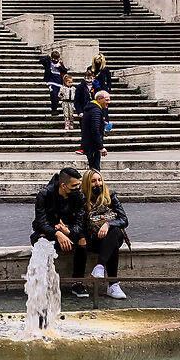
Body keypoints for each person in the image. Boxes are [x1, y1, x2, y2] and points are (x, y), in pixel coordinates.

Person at [32, 167, 94, 292]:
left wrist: (68, 231)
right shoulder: (44, 195)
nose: (77, 188)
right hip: (47, 232)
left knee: (82, 240)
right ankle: (44, 283)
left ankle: (78, 282)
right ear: (63, 186)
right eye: (74, 186)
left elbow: (79, 223)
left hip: (68, 232)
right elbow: (41, 222)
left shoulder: (79, 197)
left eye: (78, 185)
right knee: (42, 243)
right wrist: (57, 233)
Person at [77, 170, 130, 299]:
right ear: (87, 184)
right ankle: (113, 284)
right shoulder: (80, 199)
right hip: (91, 239)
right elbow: (78, 223)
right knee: (113, 245)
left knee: (115, 231)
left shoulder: (110, 196)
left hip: (108, 237)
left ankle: (99, 267)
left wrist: (108, 224)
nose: (98, 184)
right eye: (93, 181)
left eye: (99, 180)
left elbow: (124, 220)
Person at [81, 86, 111, 170]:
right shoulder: (96, 110)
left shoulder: (93, 109)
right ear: (99, 99)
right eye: (107, 99)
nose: (109, 102)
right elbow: (95, 130)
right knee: (95, 169)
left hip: (90, 144)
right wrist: (100, 147)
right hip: (93, 145)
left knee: (93, 168)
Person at [42, 49, 70, 129]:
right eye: (54, 59)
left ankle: (55, 107)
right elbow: (41, 61)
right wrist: (49, 58)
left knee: (58, 96)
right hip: (51, 82)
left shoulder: (60, 64)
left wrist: (60, 67)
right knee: (53, 94)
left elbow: (65, 71)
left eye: (57, 59)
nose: (55, 60)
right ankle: (54, 109)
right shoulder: (48, 63)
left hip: (59, 82)